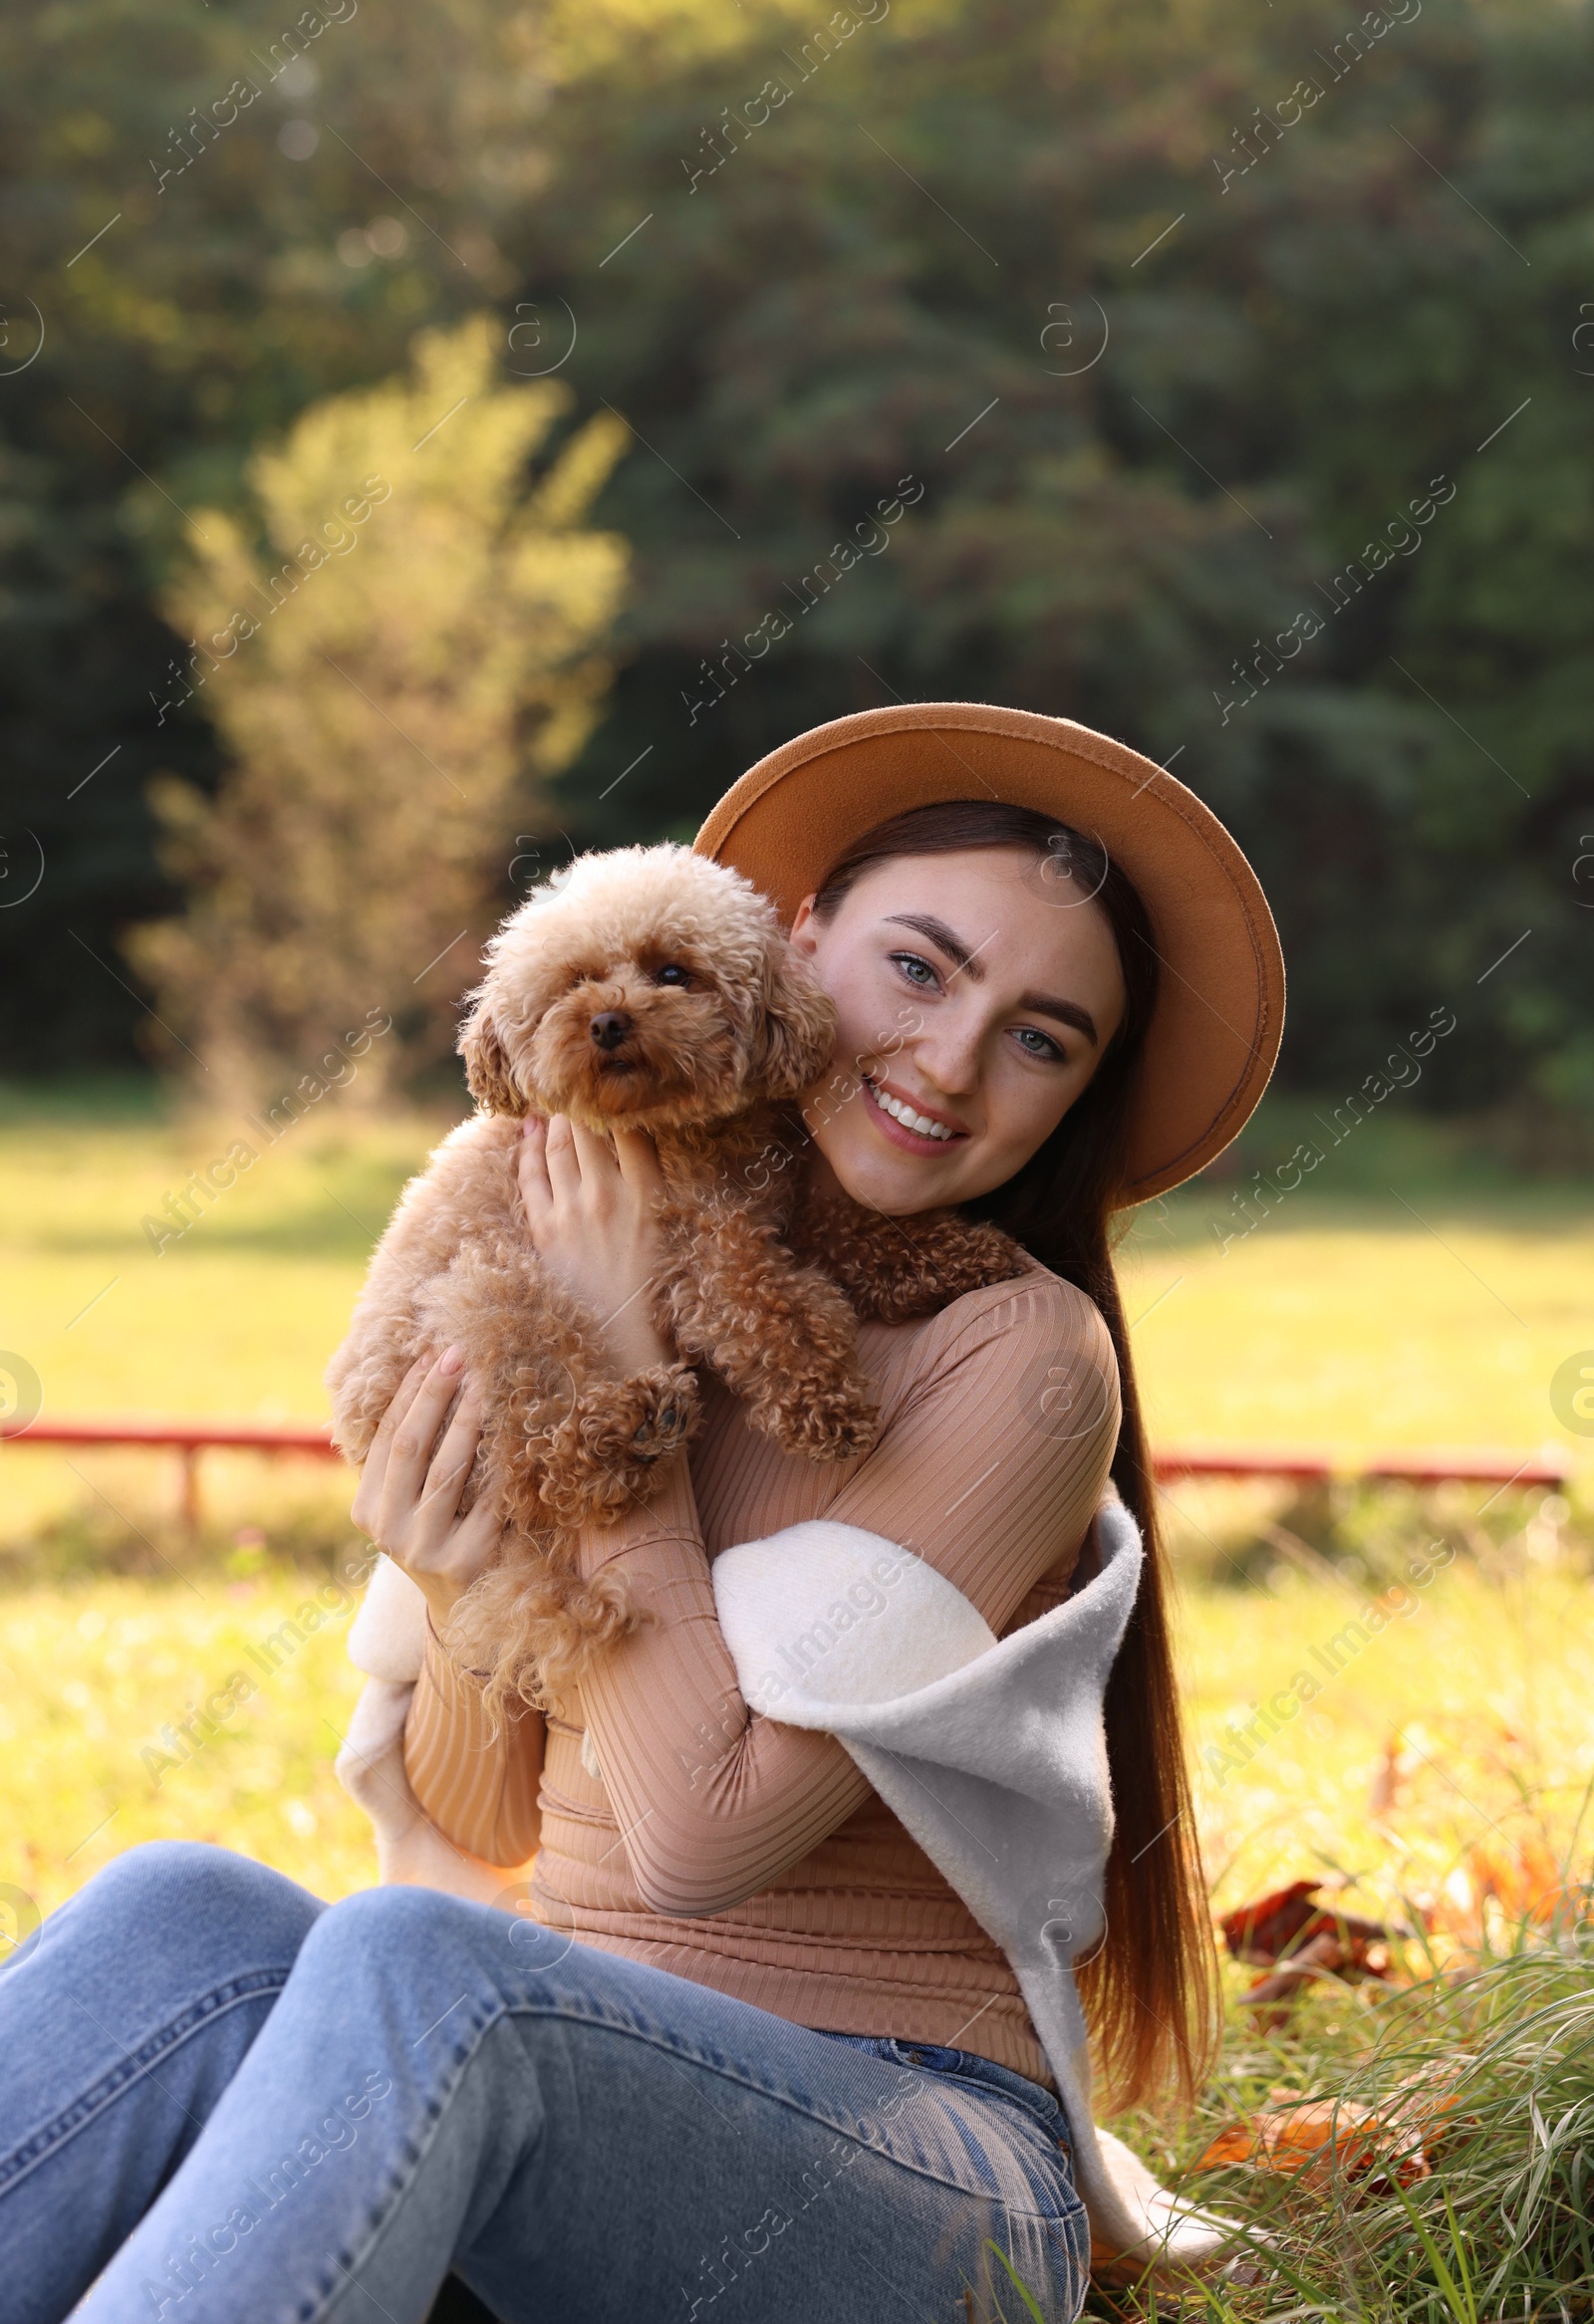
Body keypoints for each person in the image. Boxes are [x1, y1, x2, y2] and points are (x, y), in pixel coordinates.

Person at [0, 703, 1283, 2324]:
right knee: (179, 1911)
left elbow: (698, 1837)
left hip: (916, 2163)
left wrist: (616, 1408)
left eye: (1041, 1037)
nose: (950, 1062)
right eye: (918, 967)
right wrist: (461, 1570)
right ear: (795, 944)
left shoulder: (1018, 1359)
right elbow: (486, 1833)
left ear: (1075, 1097)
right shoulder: (591, 1226)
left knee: (420, 1974)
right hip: (577, 2066)